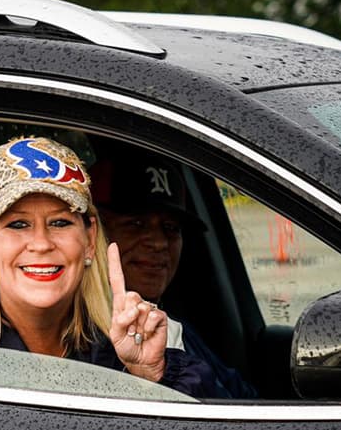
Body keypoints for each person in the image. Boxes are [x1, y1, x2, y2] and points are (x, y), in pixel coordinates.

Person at [0, 136, 222, 397]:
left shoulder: (154, 336)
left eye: (60, 222)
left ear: (90, 238)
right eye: (18, 224)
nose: (41, 243)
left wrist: (153, 378)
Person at [89, 149, 257, 398]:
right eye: (135, 224)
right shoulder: (81, 336)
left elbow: (244, 402)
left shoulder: (177, 328)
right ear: (93, 234)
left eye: (171, 228)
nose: (158, 243)